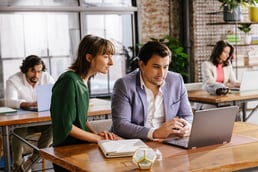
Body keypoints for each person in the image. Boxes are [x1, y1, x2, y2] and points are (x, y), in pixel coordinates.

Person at [50, 34, 121, 172]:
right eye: (106, 57)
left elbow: (81, 119)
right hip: (66, 153)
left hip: (80, 149)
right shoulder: (69, 81)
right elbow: (67, 126)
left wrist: (98, 135)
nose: (111, 62)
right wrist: (97, 139)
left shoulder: (82, 81)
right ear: (89, 58)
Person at [111, 41, 193, 140]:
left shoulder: (176, 81)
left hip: (168, 142)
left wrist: (187, 126)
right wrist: (155, 133)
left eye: (165, 67)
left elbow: (187, 115)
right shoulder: (124, 85)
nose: (161, 73)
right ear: (142, 65)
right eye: (156, 67)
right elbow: (121, 125)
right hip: (135, 143)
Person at [5, 55, 54, 172]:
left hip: (41, 120)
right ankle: (17, 167)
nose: (36, 75)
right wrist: (30, 104)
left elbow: (56, 93)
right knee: (18, 129)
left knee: (54, 126)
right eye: (33, 71)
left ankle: (32, 160)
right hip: (22, 123)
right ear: (25, 69)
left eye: (39, 71)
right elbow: (9, 101)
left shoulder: (46, 77)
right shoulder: (13, 80)